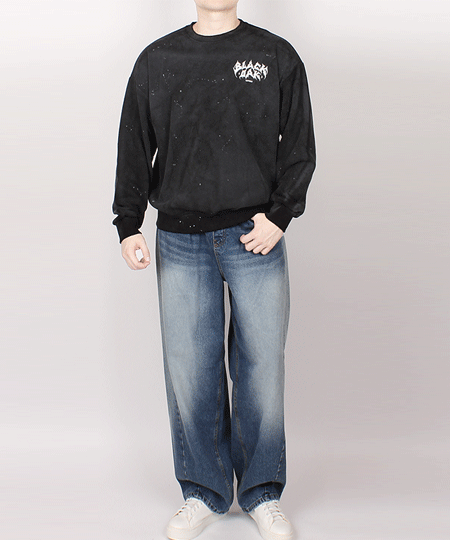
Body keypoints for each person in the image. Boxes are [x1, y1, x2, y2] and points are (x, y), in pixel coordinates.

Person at [112, 1, 315, 538]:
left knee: (262, 370)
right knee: (190, 370)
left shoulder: (274, 56)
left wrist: (280, 216)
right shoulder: (158, 59)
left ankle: (262, 493)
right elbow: (134, 143)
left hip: (256, 237)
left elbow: (299, 144)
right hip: (181, 240)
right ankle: (203, 492)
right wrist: (128, 222)